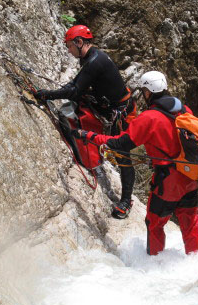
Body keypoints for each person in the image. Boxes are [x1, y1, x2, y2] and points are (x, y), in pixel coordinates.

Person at [76, 70, 198, 256]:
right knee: (189, 220)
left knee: (155, 222)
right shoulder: (184, 109)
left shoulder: (149, 118)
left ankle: (155, 261)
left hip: (168, 181)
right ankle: (196, 259)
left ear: (148, 92)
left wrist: (88, 135)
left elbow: (120, 143)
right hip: (191, 174)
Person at [34, 24, 136, 219]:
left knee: (123, 156)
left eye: (70, 46)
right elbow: (76, 86)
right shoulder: (90, 58)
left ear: (79, 42)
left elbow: (74, 89)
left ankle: (125, 201)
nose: (69, 50)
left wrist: (47, 95)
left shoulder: (95, 62)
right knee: (76, 102)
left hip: (120, 114)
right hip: (108, 106)